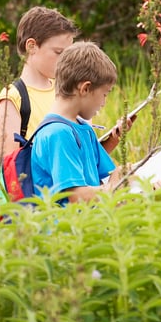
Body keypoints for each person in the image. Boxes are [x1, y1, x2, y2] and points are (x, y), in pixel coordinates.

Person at [29, 41, 121, 203]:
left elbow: (105, 176)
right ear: (85, 88)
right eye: (105, 94)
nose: (104, 103)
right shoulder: (57, 133)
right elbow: (76, 195)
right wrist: (115, 187)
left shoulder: (83, 128)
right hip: (68, 227)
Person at [0, 6, 77, 160]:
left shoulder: (64, 91)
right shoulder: (13, 97)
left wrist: (113, 138)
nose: (65, 60)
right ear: (31, 46)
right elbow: (10, 165)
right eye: (59, 52)